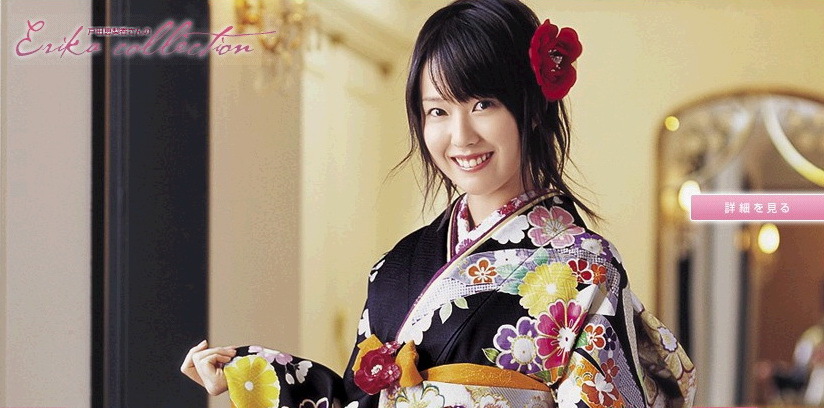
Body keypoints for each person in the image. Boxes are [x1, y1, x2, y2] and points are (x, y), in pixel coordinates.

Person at [181, 0, 696, 407]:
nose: (461, 135)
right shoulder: (396, 268)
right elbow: (356, 401)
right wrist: (248, 371)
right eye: (437, 111)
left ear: (533, 108)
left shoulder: (585, 267)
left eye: (483, 104)